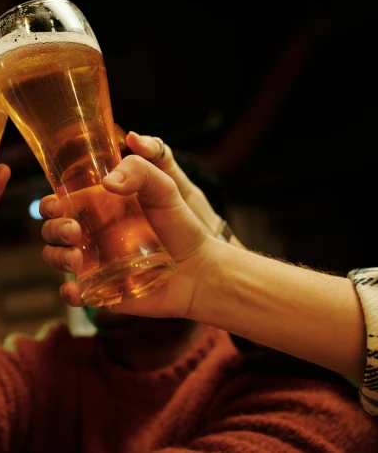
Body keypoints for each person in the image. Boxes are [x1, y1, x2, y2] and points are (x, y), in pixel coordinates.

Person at [0, 141, 378, 453]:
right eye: (81, 220)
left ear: (197, 232)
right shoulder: (55, 366)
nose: (94, 240)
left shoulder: (291, 383)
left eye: (127, 217)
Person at [42, 130, 378, 417]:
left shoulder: (288, 392)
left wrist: (209, 267)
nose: (102, 245)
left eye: (123, 221)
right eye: (90, 225)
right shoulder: (59, 364)